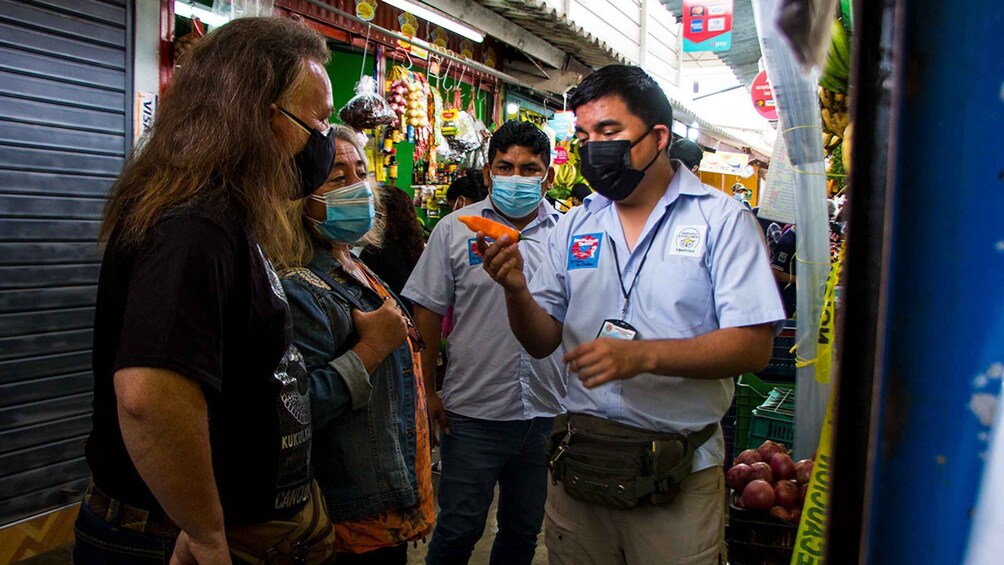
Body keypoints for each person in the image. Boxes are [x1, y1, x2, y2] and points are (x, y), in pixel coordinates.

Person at [479, 65, 785, 565]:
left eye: (609, 132)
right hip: (582, 464)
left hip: (677, 471)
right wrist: (515, 290)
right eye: (583, 135)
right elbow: (541, 340)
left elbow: (752, 345)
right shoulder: (576, 225)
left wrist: (643, 355)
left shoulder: (721, 221)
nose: (592, 146)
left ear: (657, 136)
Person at [76, 17, 337, 564]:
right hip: (165, 541)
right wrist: (205, 532)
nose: (323, 144)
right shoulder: (197, 223)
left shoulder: (226, 215)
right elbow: (149, 395)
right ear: (259, 118)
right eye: (316, 124)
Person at [403, 120, 565, 565]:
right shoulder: (454, 231)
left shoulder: (569, 234)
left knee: (522, 530)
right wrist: (428, 391)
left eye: (529, 169)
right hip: (472, 411)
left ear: (547, 176)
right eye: (505, 167)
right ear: (489, 173)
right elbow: (428, 312)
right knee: (458, 528)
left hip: (542, 412)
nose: (517, 177)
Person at [276, 125, 435, 564]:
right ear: (300, 195)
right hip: (348, 521)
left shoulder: (355, 265)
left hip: (386, 508)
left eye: (361, 172)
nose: (357, 187)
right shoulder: (299, 285)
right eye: (337, 177)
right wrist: (369, 351)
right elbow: (294, 408)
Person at [360, 183, 426, 296]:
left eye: (376, 212)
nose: (372, 218)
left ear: (393, 215)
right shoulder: (415, 244)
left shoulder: (376, 251)